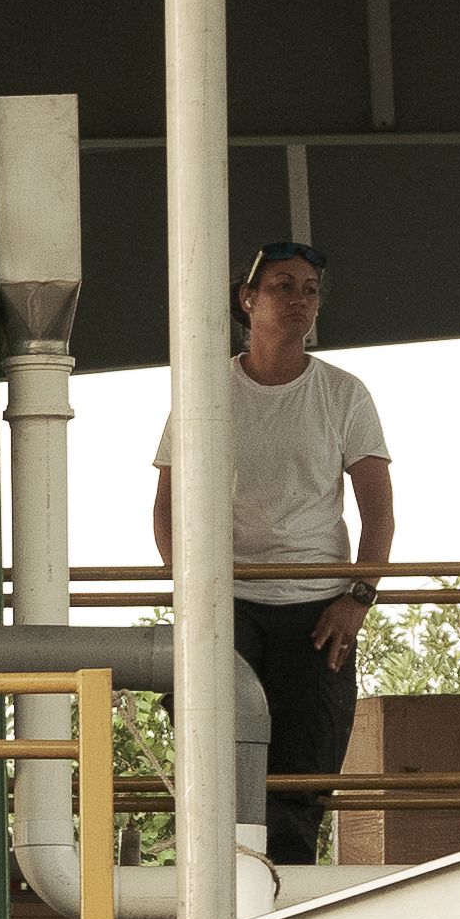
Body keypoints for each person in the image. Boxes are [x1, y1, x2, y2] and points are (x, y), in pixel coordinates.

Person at [149, 232, 390, 868]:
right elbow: (166, 508)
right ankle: (217, 886)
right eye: (282, 286)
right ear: (246, 299)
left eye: (310, 291)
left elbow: (380, 513)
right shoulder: (204, 392)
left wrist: (356, 600)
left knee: (302, 774)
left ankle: (285, 903)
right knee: (216, 757)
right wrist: (192, 597)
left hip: (318, 610)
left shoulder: (345, 394)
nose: (299, 300)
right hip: (229, 604)